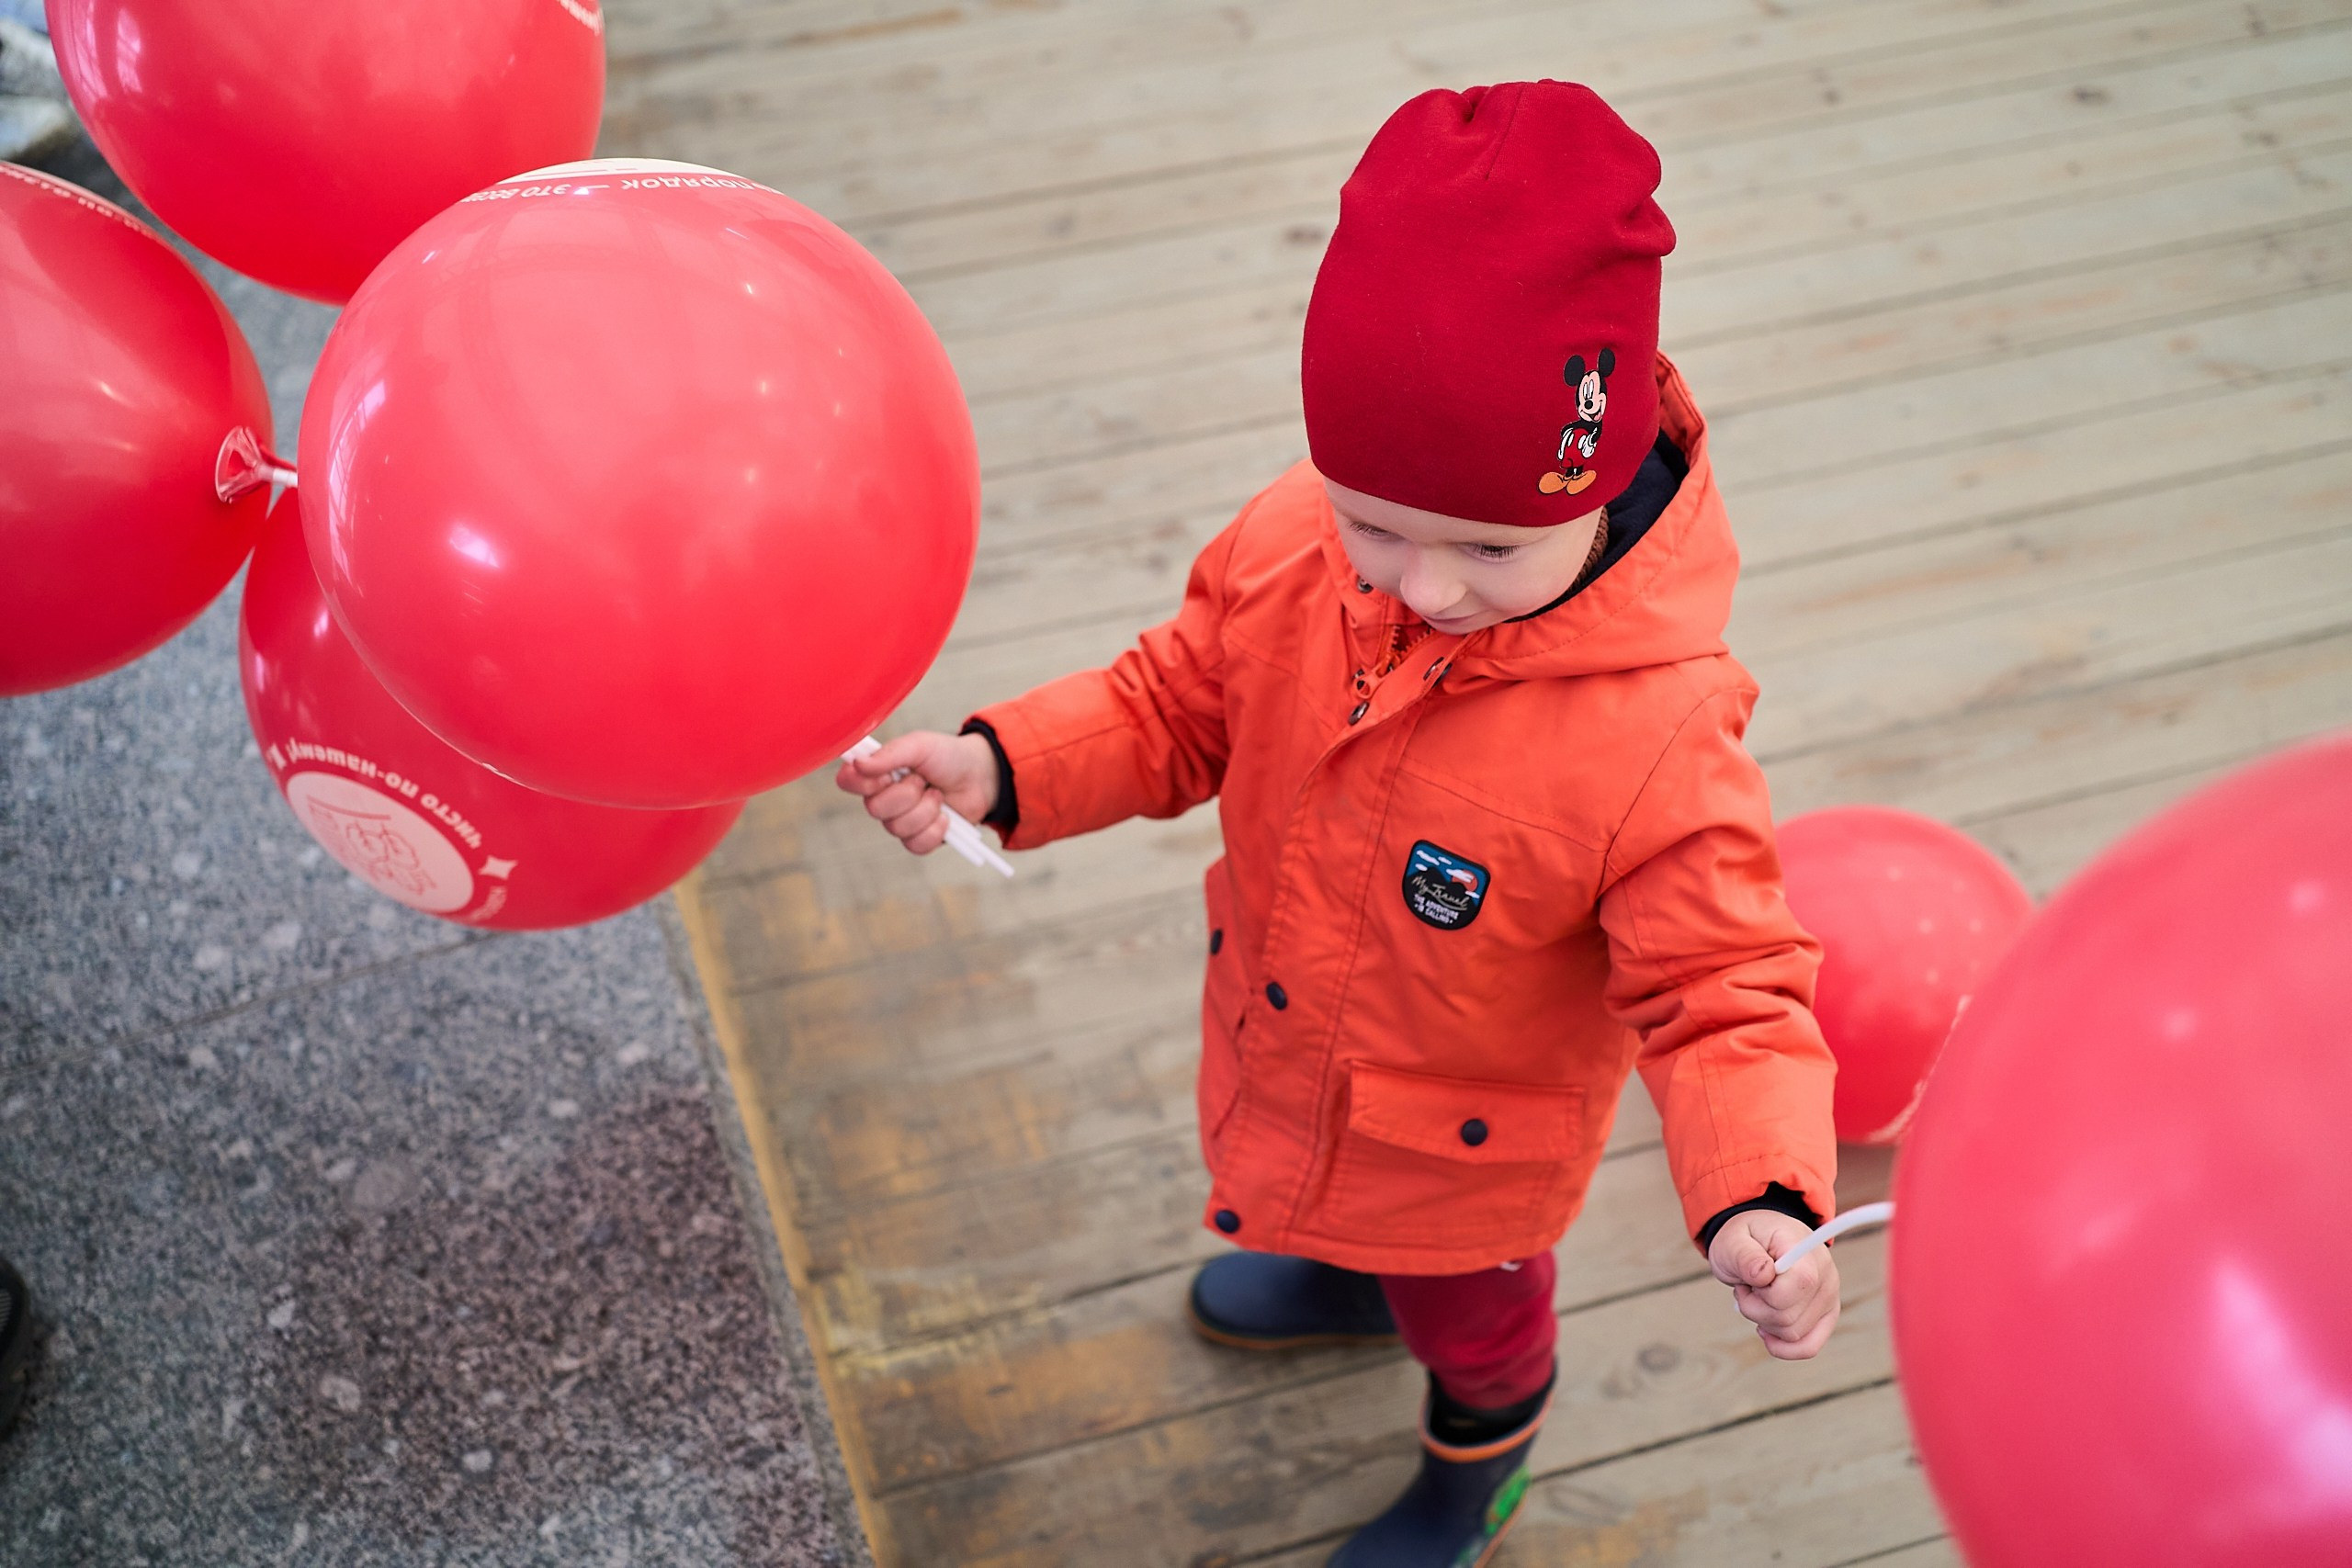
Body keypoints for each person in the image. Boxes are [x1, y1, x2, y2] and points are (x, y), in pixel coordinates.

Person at [838, 81, 1841, 1568]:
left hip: (1470, 1167)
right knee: (1309, 1196)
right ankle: (1340, 1271)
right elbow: (1172, 703)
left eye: (1490, 547)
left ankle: (1473, 1474)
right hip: (1288, 1037)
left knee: (1479, 1334)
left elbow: (1725, 991)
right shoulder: (1291, 549)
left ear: (1598, 475)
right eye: (1376, 521)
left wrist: (1759, 1195)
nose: (1421, 586)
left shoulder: (1660, 728)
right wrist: (1001, 763)